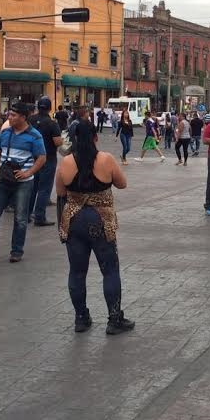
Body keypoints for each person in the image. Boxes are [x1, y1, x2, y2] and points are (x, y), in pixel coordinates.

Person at [56, 121, 134, 335]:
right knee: (109, 270)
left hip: (74, 220)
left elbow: (61, 192)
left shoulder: (66, 162)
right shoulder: (106, 159)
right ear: (95, 137)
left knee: (77, 271)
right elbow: (122, 183)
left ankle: (81, 318)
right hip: (101, 220)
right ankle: (114, 318)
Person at [0, 102, 47, 263]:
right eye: (9, 114)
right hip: (4, 181)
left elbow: (42, 158)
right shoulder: (6, 133)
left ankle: (16, 251)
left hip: (24, 183)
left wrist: (28, 172)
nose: (9, 117)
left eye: (13, 115)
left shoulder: (35, 136)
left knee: (20, 218)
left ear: (23, 117)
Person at [28, 97, 64, 227]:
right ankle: (39, 216)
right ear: (49, 108)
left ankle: (26, 214)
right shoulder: (52, 123)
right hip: (48, 158)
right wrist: (63, 141)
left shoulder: (30, 120)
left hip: (32, 158)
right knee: (44, 188)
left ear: (38, 107)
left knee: (32, 187)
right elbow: (57, 142)